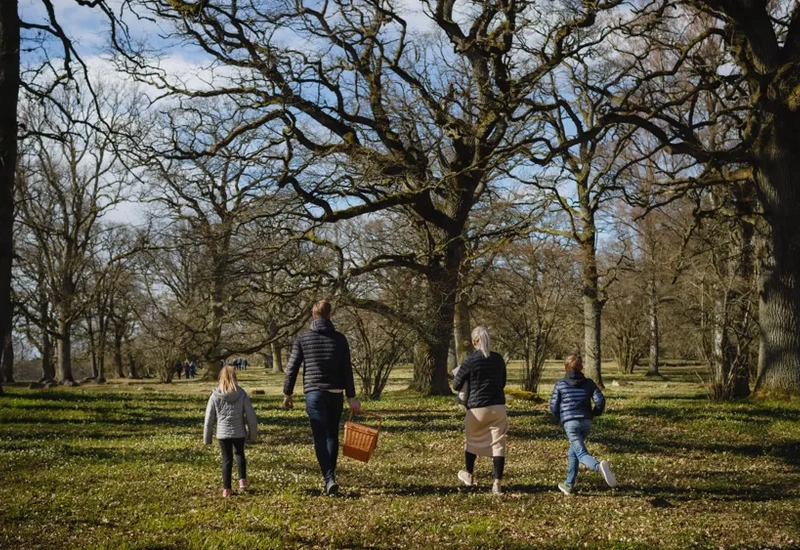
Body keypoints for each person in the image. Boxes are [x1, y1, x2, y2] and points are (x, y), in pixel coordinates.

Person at [282, 299, 361, 496]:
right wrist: (351, 397)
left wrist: (287, 393)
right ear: (329, 315)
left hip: (314, 393)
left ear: (312, 315)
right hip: (335, 393)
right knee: (332, 435)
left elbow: (292, 368)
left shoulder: (303, 338)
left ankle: (329, 478)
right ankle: (330, 478)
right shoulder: (340, 339)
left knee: (319, 437)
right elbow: (347, 370)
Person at [549, 354, 617, 495]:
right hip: (586, 422)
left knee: (581, 453)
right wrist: (594, 413)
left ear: (565, 368)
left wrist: (562, 418)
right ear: (581, 368)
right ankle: (569, 485)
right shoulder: (589, 383)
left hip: (570, 423)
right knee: (573, 452)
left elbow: (553, 406)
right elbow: (600, 400)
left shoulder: (560, 384)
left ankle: (598, 467)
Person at [452, 326, 508, 495]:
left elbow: (456, 385)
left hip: (476, 408)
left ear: (475, 341)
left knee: (471, 442)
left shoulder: (470, 360)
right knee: (498, 445)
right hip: (497, 406)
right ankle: (497, 483)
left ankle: (469, 475)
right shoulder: (498, 359)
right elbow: (503, 382)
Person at [204, 366, 258, 497]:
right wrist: (252, 435)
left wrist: (207, 438)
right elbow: (251, 417)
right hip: (239, 432)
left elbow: (209, 418)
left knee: (226, 459)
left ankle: (227, 489)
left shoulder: (215, 395)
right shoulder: (241, 394)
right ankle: (243, 482)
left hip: (222, 434)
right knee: (240, 455)